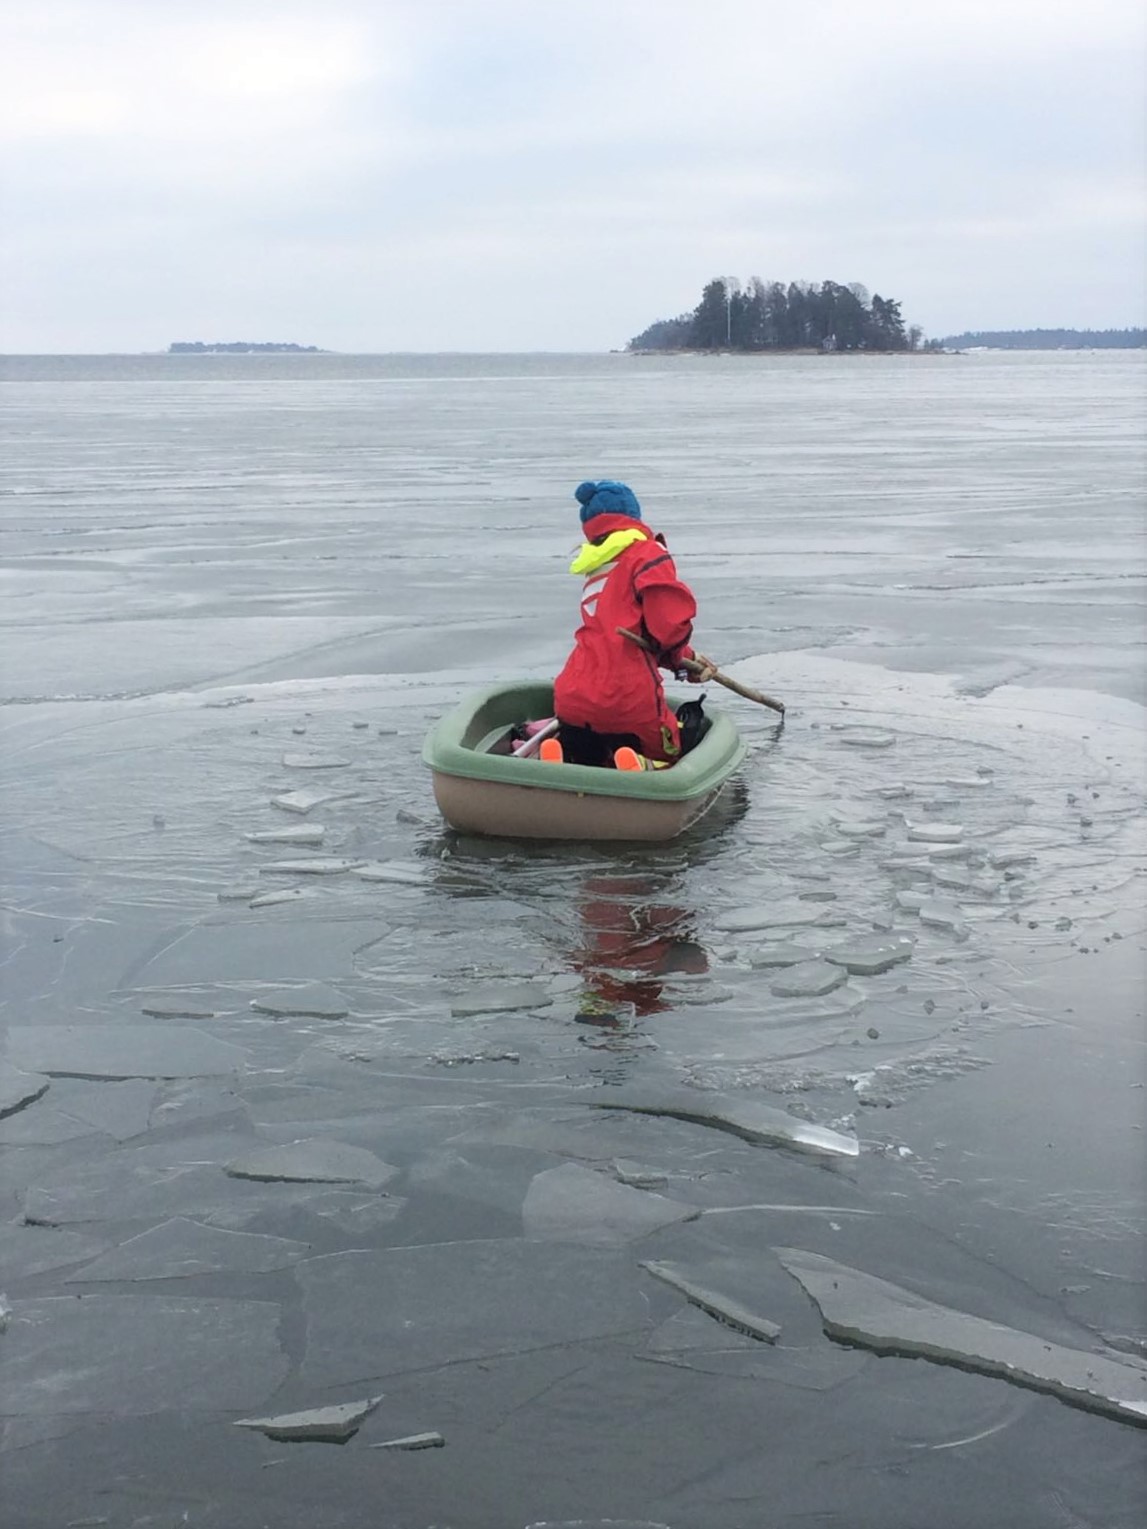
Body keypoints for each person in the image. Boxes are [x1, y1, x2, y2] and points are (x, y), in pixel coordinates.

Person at [552, 480, 715, 767]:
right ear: (633, 517)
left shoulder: (595, 564)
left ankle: (566, 756)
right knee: (671, 748)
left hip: (573, 696)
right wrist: (682, 657)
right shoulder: (646, 554)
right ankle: (643, 764)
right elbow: (667, 628)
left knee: (588, 748)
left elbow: (628, 636)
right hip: (626, 698)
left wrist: (688, 663)